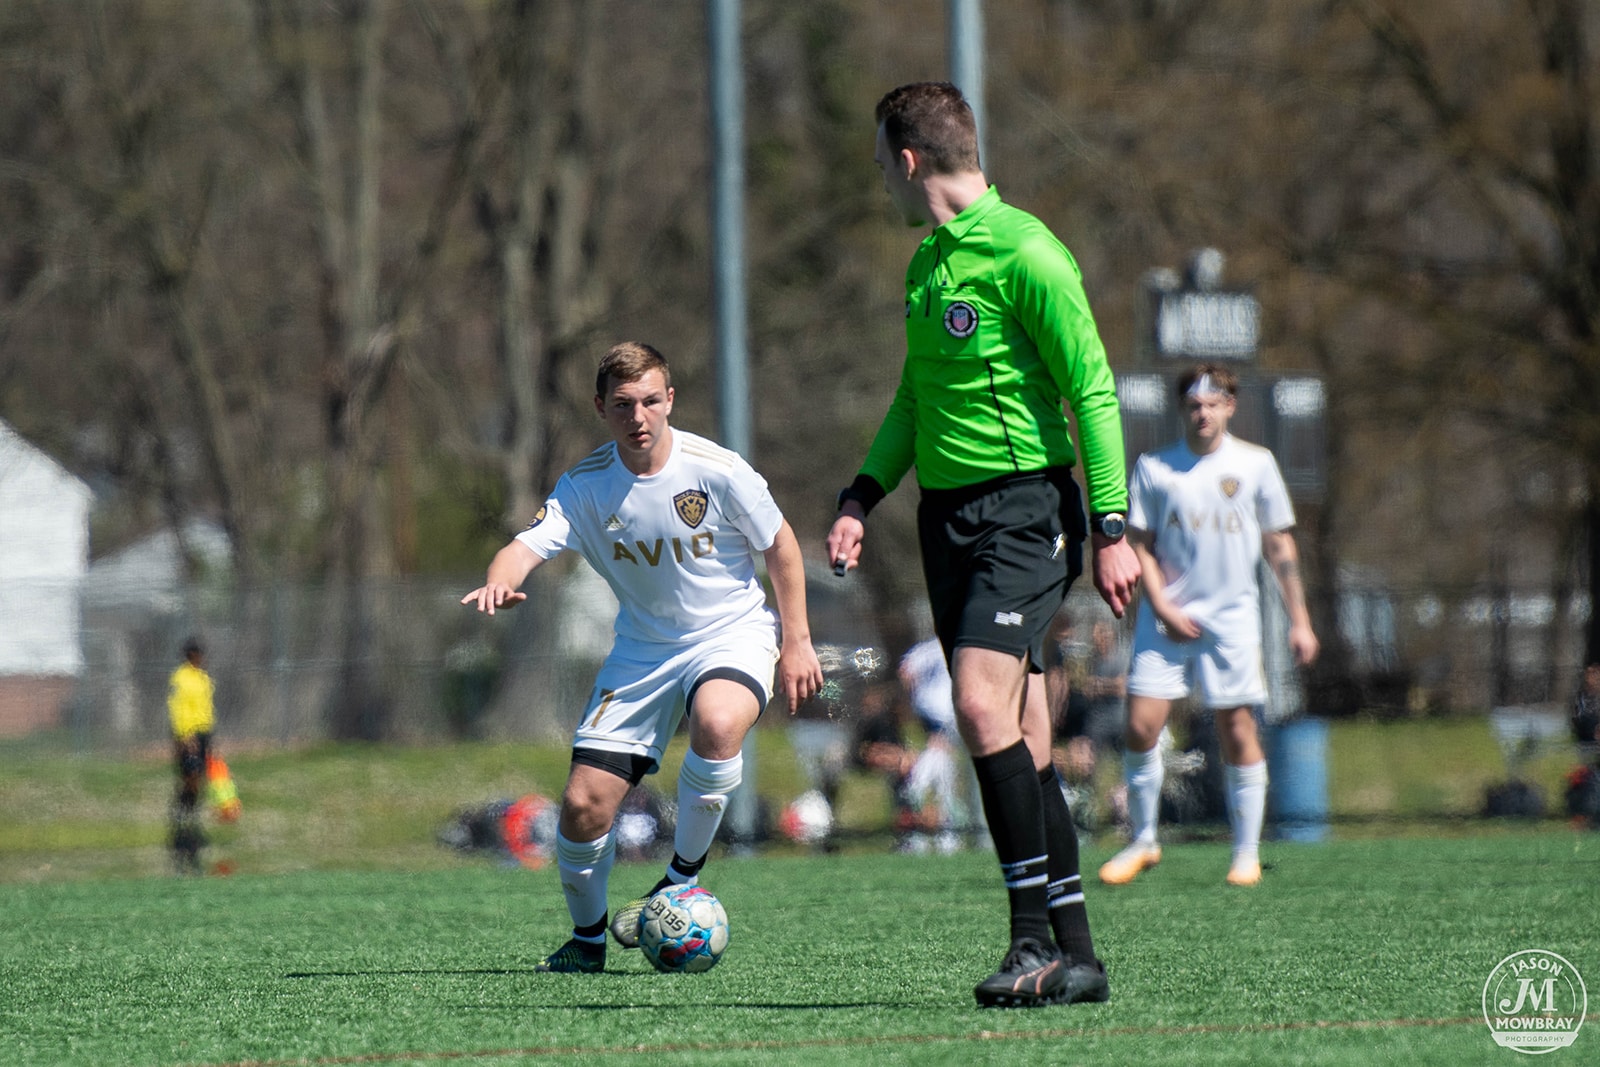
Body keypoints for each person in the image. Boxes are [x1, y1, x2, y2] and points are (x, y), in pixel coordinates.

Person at [825, 82, 1140, 1008]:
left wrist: (1113, 526)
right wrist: (860, 494)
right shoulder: (927, 265)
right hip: (947, 519)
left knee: (973, 699)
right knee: (1024, 733)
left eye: (883, 162)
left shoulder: (1028, 253)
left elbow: (1093, 391)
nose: (881, 180)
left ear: (910, 160)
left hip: (1024, 512)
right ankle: (1076, 957)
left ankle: (1028, 939)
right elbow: (916, 402)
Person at [462, 341, 824, 973]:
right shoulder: (586, 486)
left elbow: (782, 547)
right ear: (602, 408)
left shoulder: (717, 470)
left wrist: (796, 640)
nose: (640, 416)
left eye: (652, 401)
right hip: (642, 652)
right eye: (624, 404)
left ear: (670, 400)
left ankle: (678, 878)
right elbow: (524, 547)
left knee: (716, 723)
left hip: (732, 634)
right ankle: (588, 940)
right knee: (581, 806)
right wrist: (499, 579)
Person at [1098, 363, 1319, 890]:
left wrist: (1301, 622)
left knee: (1237, 728)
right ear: (1183, 409)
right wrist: (1164, 607)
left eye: (1213, 403)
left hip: (1233, 621)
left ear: (1230, 406)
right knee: (1141, 726)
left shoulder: (1256, 464)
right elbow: (1140, 547)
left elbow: (1279, 545)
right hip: (1166, 619)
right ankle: (1144, 840)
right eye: (1194, 404)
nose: (1203, 412)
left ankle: (1246, 854)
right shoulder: (1155, 467)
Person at [167, 636, 215, 875]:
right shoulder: (181, 678)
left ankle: (191, 821)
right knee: (191, 780)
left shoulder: (203, 678)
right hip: (189, 737)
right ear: (191, 655)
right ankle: (180, 823)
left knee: (199, 782)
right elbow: (179, 708)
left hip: (204, 734)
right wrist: (185, 736)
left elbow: (204, 708)